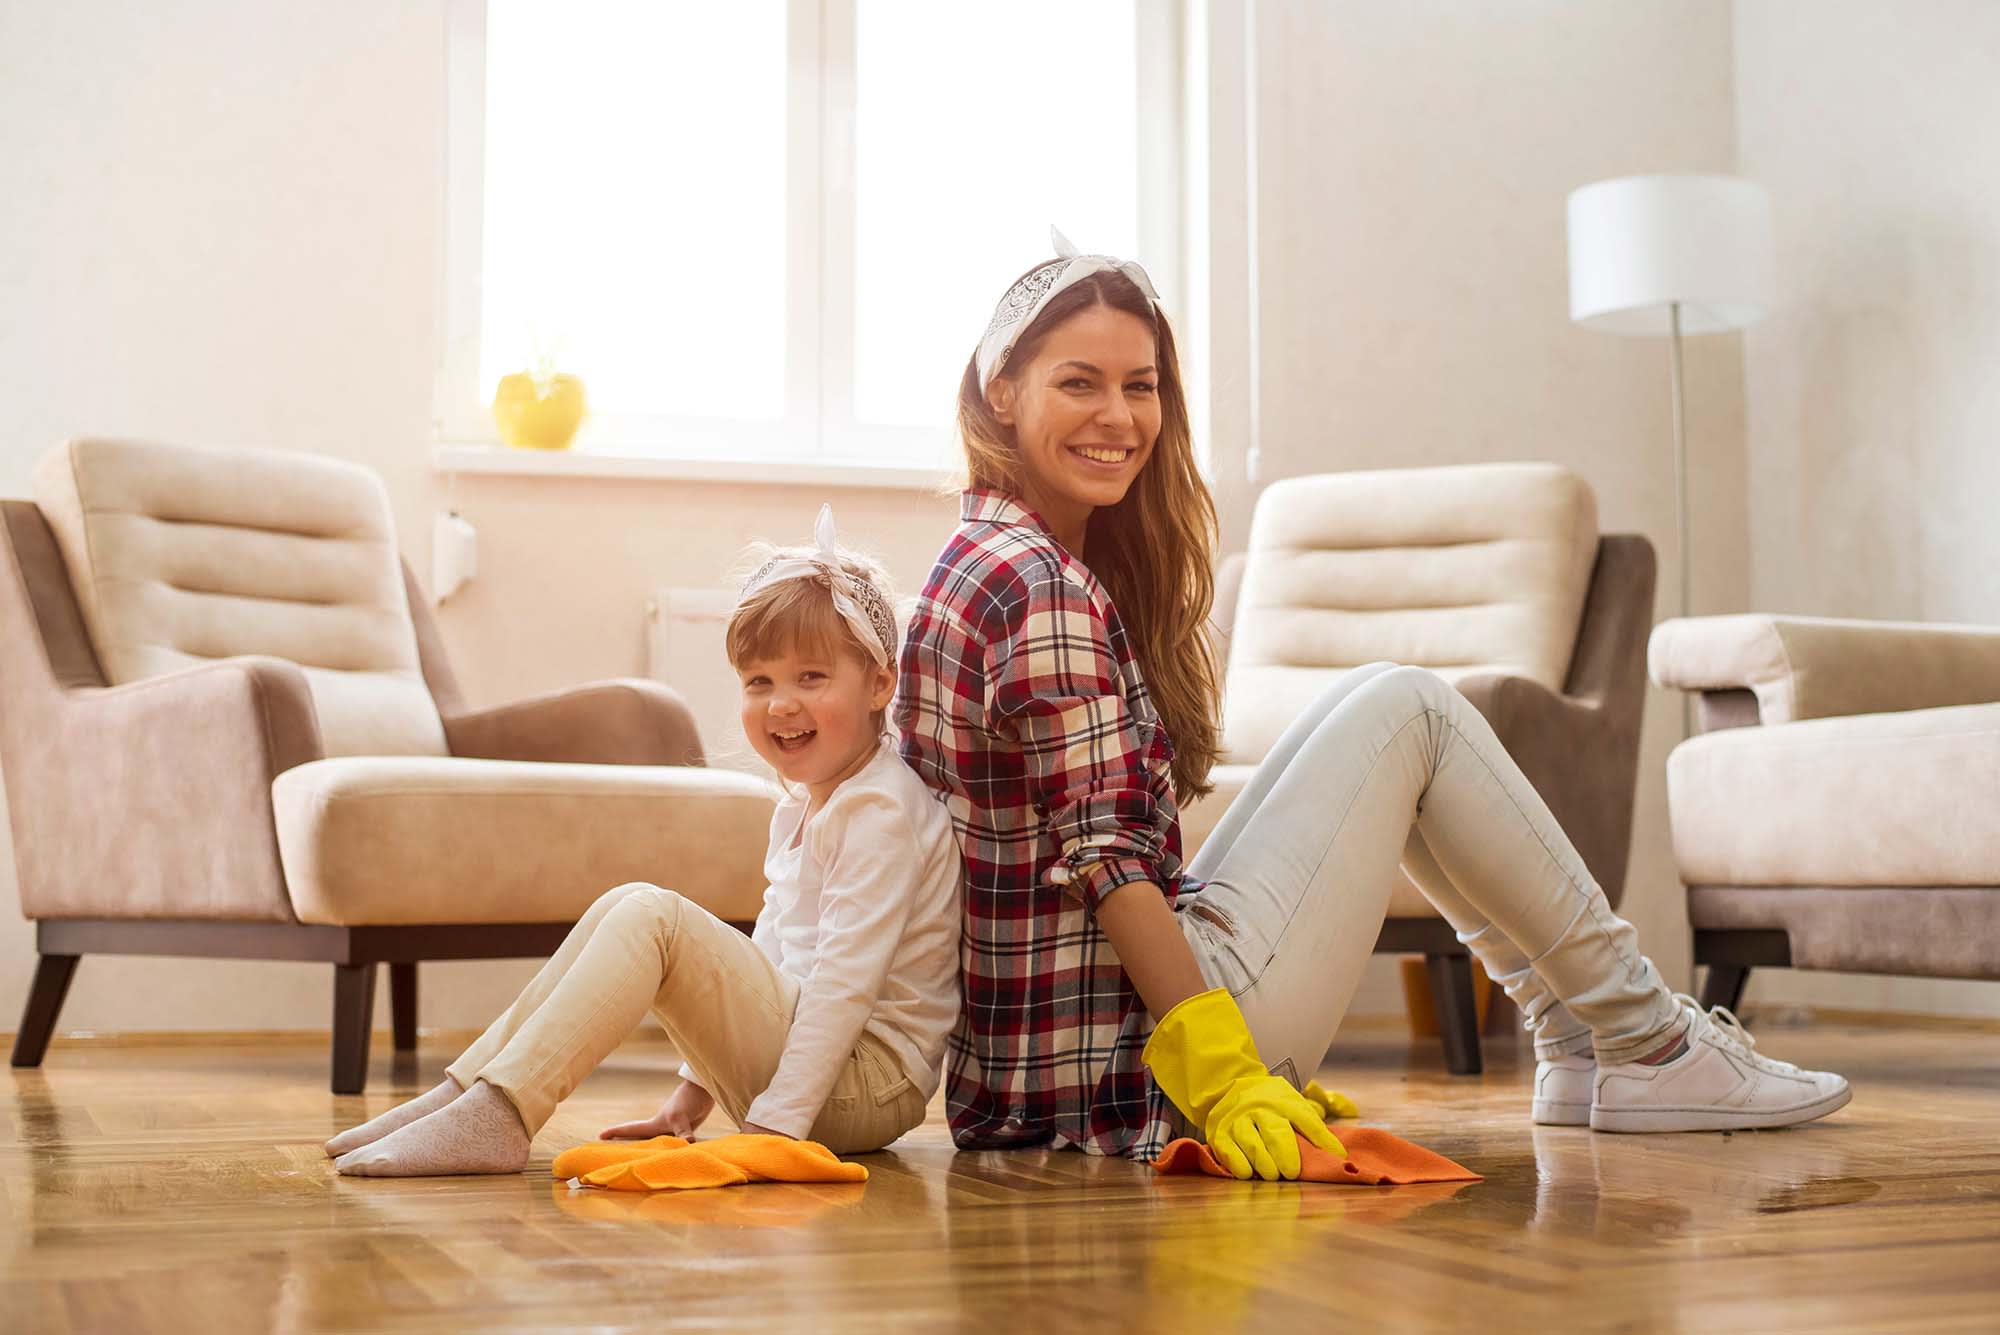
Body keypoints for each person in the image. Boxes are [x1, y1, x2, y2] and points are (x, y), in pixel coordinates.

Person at [895, 229, 1849, 1182]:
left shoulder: (981, 557)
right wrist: (1224, 1079)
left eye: (1139, 385)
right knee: (1412, 709)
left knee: (1379, 701)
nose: (1119, 415)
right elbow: (1107, 864)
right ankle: (1645, 1039)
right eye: (1079, 382)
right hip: (1123, 1061)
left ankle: (1576, 1034)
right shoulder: (1040, 584)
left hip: (1030, 1068)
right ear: (1001, 392)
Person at [327, 508, 960, 1176]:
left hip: (864, 1087)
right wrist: (691, 1098)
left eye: (811, 677)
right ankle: (467, 1093)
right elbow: (773, 953)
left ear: (880, 685)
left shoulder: (881, 811)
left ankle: (501, 1115)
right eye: (759, 681)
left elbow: (843, 986)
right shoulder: (808, 805)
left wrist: (774, 1130)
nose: (780, 703)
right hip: (816, 1071)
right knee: (627, 901)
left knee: (654, 916)